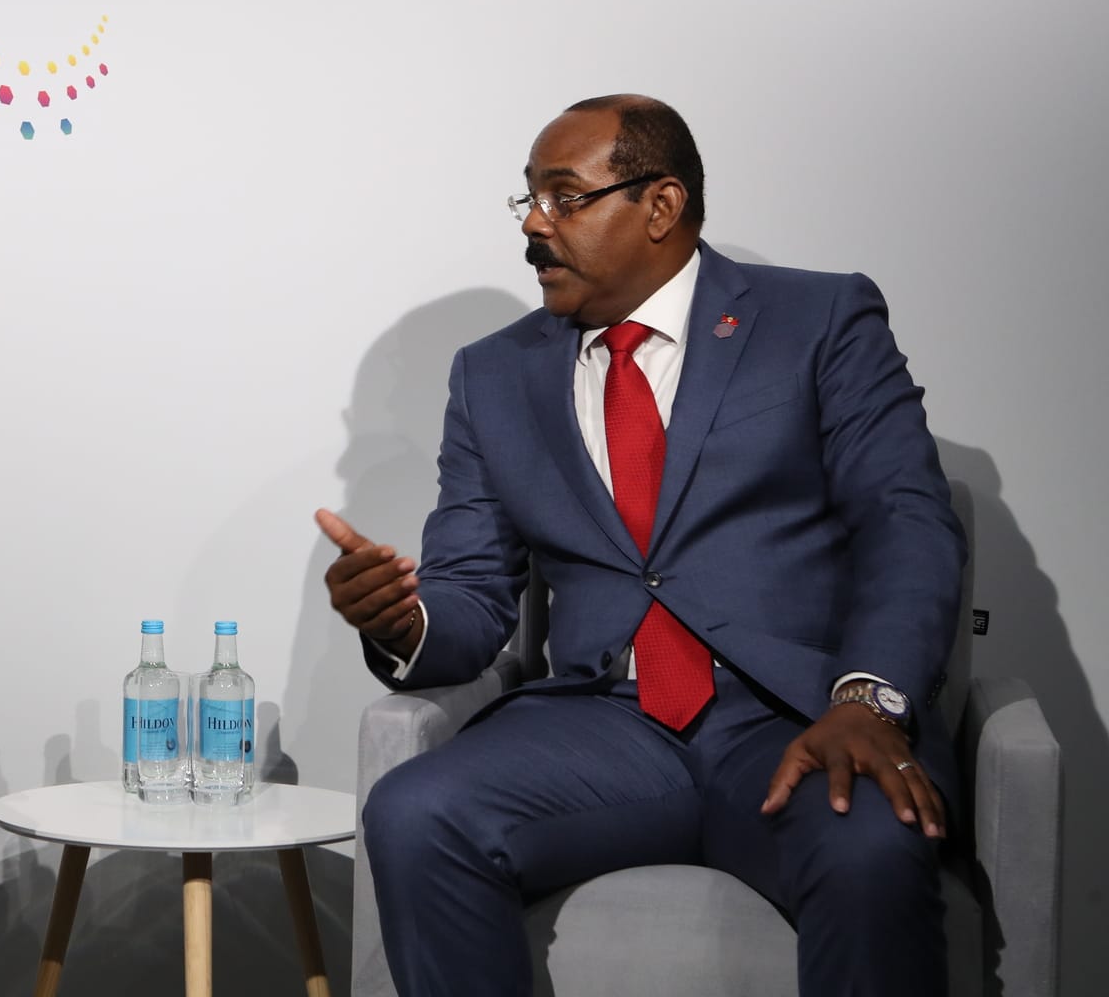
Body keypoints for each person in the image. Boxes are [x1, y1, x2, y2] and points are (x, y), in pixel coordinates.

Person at [317, 94, 962, 996]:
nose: (535, 226)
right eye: (528, 201)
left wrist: (869, 698)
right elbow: (469, 599)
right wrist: (402, 620)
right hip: (604, 724)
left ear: (659, 206)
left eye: (564, 197)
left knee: (869, 842)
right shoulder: (494, 375)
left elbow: (906, 520)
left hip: (797, 716)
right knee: (418, 811)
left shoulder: (817, 321)